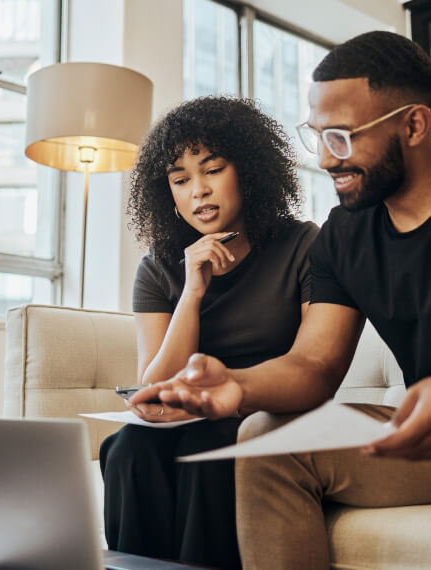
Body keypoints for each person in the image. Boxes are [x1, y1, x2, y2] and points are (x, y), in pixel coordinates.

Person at [132, 31, 431, 570]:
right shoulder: (345, 236)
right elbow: (314, 364)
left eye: (341, 137)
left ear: (413, 125)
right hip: (422, 440)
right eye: (316, 136)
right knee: (266, 435)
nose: (323, 159)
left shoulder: (302, 242)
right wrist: (235, 384)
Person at [100, 96, 318, 569]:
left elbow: (310, 367)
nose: (197, 190)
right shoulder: (159, 268)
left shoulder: (302, 245)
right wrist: (191, 293)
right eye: (180, 180)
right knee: (128, 447)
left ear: (250, 171)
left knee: (209, 447)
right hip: (185, 418)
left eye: (212, 170)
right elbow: (154, 386)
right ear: (169, 197)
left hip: (265, 412)